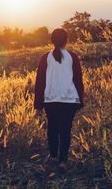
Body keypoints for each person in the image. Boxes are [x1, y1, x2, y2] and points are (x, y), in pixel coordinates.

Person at [34, 28, 84, 173]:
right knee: (65, 130)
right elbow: (78, 81)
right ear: (66, 40)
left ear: (52, 40)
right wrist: (80, 100)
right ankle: (63, 161)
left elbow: (40, 82)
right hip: (69, 100)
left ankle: (54, 156)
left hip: (50, 99)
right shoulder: (72, 57)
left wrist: (38, 104)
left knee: (53, 128)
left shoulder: (45, 57)